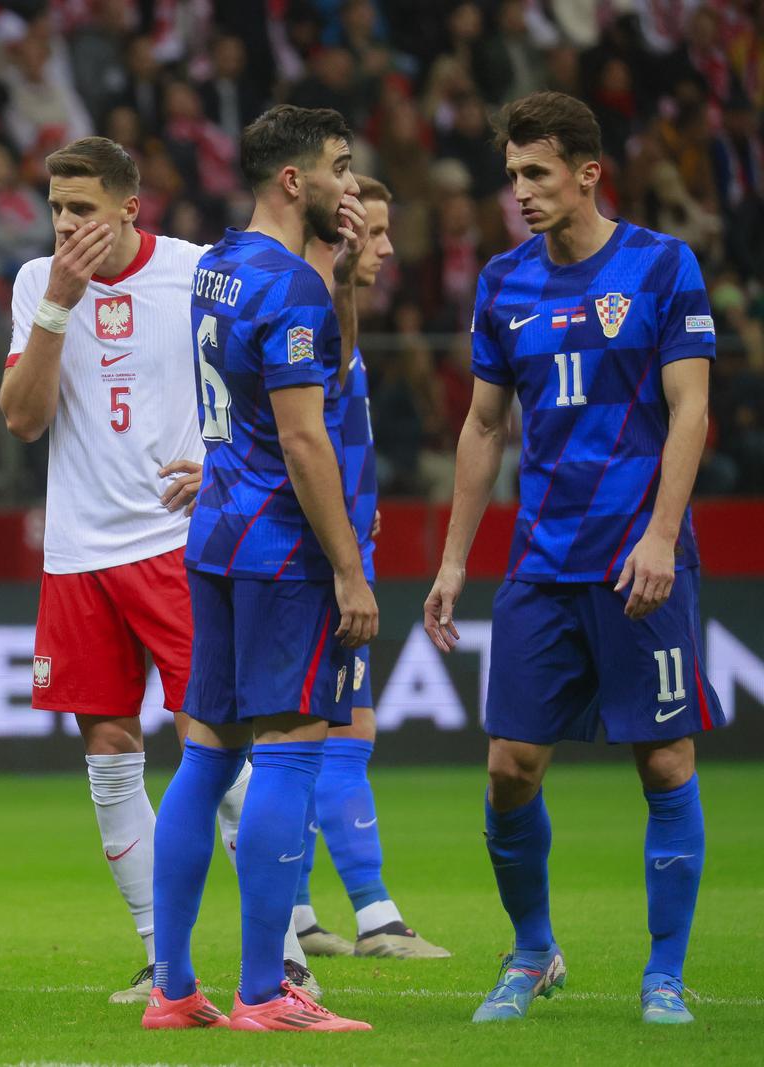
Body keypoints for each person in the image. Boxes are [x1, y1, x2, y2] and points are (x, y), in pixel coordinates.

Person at [424, 91, 725, 1026]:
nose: (518, 191)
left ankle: (664, 972)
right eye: (512, 174)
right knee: (510, 764)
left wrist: (664, 536)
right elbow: (483, 426)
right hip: (542, 561)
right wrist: (451, 561)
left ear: (589, 173)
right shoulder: (504, 283)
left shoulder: (663, 266)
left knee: (665, 762)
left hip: (640, 558)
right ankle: (532, 949)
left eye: (537, 173)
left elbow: (691, 411)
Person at [144, 104, 375, 1033]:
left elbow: (293, 379)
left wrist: (341, 278)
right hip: (282, 550)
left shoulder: (219, 268)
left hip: (214, 539)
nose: (350, 185)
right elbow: (304, 433)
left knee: (207, 753)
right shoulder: (290, 288)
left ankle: (171, 988)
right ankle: (261, 992)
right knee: (290, 749)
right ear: (295, 180)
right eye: (341, 167)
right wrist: (350, 572)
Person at [0, 135, 207, 1005]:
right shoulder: (36, 283)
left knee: (220, 744)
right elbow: (23, 418)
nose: (66, 224)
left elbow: (267, 387)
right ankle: (164, 958)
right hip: (81, 552)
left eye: (82, 208)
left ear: (131, 207)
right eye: (56, 209)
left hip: (180, 543)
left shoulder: (197, 272)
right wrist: (58, 303)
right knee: (111, 752)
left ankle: (288, 950)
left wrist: (227, 470)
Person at [219, 175, 450, 961]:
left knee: (295, 740)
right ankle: (376, 916)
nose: (383, 248)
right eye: (372, 233)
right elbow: (292, 427)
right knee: (334, 734)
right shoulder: (299, 301)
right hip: (309, 551)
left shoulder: (324, 314)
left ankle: (300, 914)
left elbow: (333, 381)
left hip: (328, 537)